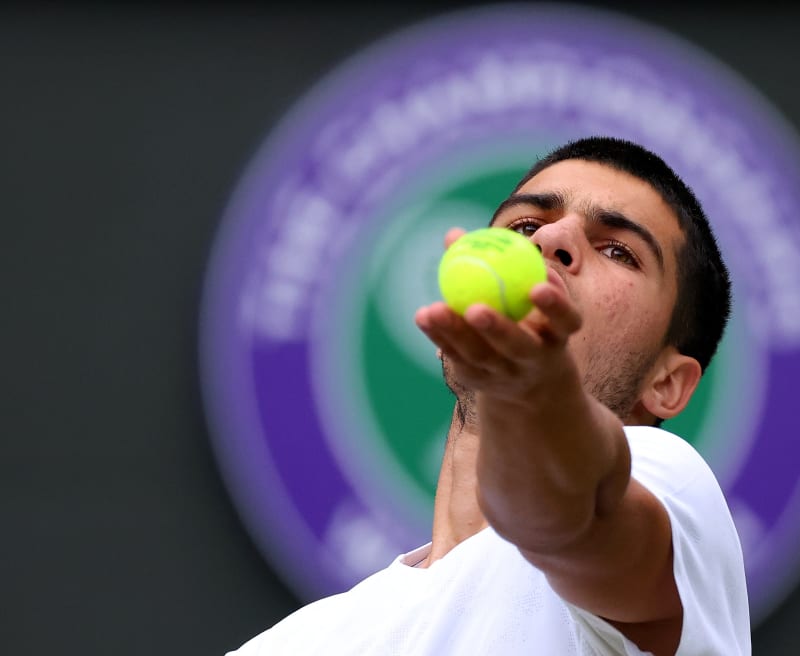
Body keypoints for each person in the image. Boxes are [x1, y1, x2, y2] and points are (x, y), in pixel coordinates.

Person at [227, 136, 751, 655]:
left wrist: (534, 406)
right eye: (526, 226)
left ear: (668, 382)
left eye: (619, 250)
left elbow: (576, 522)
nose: (551, 239)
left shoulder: (670, 481)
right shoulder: (294, 643)